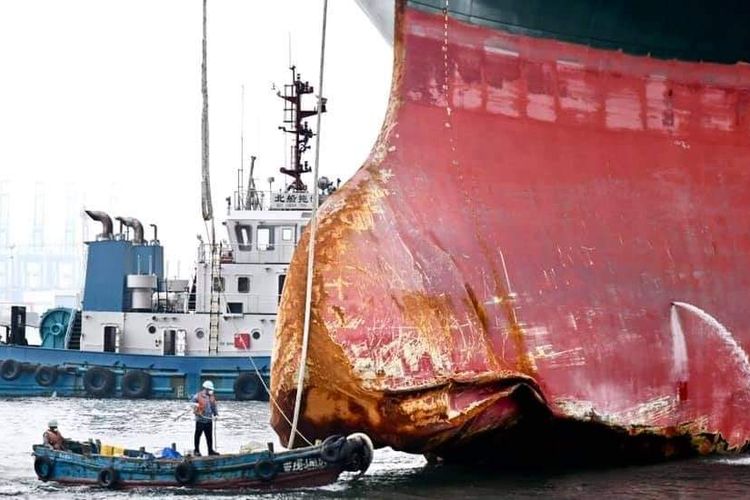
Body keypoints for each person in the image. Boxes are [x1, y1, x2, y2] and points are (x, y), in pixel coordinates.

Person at [191, 380, 219, 456]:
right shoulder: (198, 395)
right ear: (206, 389)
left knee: (209, 437)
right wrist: (196, 407)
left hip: (209, 420)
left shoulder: (212, 396)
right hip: (200, 419)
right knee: (198, 435)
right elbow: (192, 403)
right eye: (209, 389)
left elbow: (213, 406)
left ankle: (210, 451)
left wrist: (216, 414)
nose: (211, 391)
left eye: (211, 389)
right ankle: (196, 451)